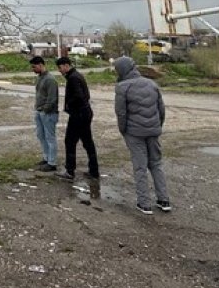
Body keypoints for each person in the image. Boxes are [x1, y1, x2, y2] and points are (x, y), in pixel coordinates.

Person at [112, 55, 171, 214]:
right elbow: (161, 109)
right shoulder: (151, 84)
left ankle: (144, 203)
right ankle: (164, 200)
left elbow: (121, 113)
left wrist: (123, 130)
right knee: (156, 164)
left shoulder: (122, 87)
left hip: (134, 133)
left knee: (140, 167)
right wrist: (157, 126)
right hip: (153, 130)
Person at [56, 56, 99, 181]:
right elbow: (86, 95)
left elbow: (79, 96)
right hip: (85, 112)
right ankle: (94, 171)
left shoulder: (73, 78)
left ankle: (70, 171)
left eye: (60, 68)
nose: (59, 70)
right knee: (87, 142)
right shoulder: (77, 75)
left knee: (70, 142)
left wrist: (69, 104)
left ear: (66, 65)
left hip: (78, 114)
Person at [30, 56, 59, 172]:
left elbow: (52, 98)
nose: (33, 69)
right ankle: (46, 158)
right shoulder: (40, 78)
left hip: (48, 113)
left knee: (50, 137)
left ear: (41, 65)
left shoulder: (50, 79)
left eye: (34, 66)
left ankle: (52, 162)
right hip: (40, 111)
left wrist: (45, 109)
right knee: (41, 135)